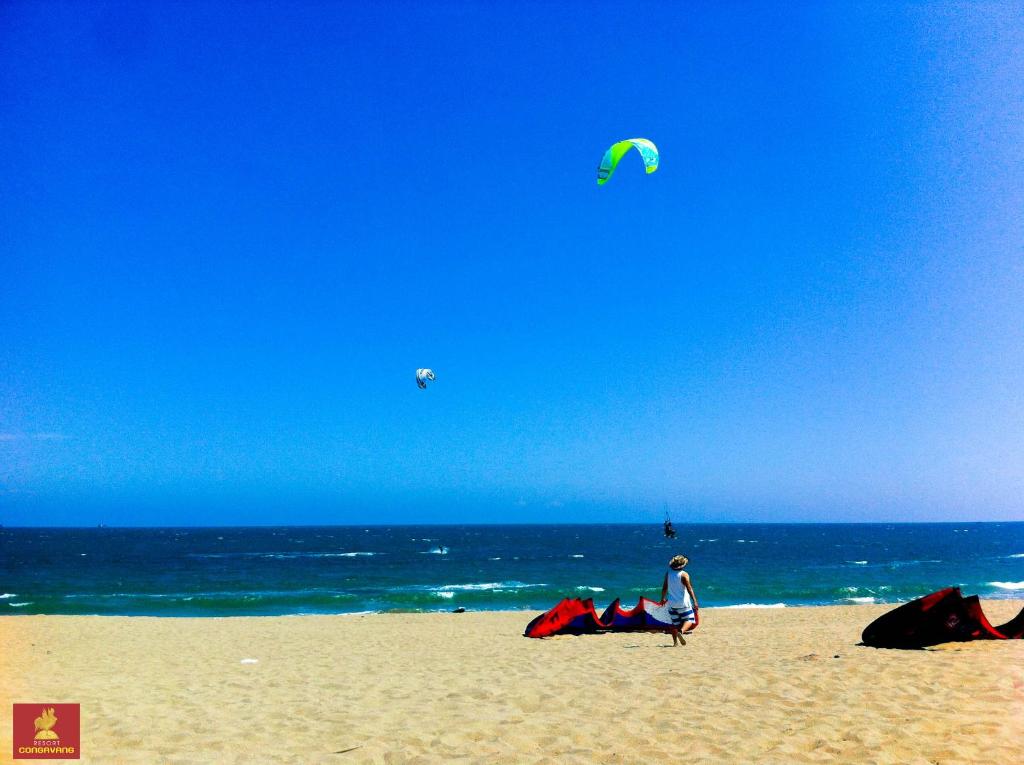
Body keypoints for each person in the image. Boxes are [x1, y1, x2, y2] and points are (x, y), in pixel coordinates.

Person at [661, 554, 698, 646]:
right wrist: (695, 601)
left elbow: (664, 587)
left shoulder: (668, 574)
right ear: (683, 565)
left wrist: (662, 598)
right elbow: (689, 589)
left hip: (672, 603)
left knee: (674, 623)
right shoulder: (684, 574)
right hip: (683, 603)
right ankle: (681, 632)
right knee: (690, 619)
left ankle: (675, 643)